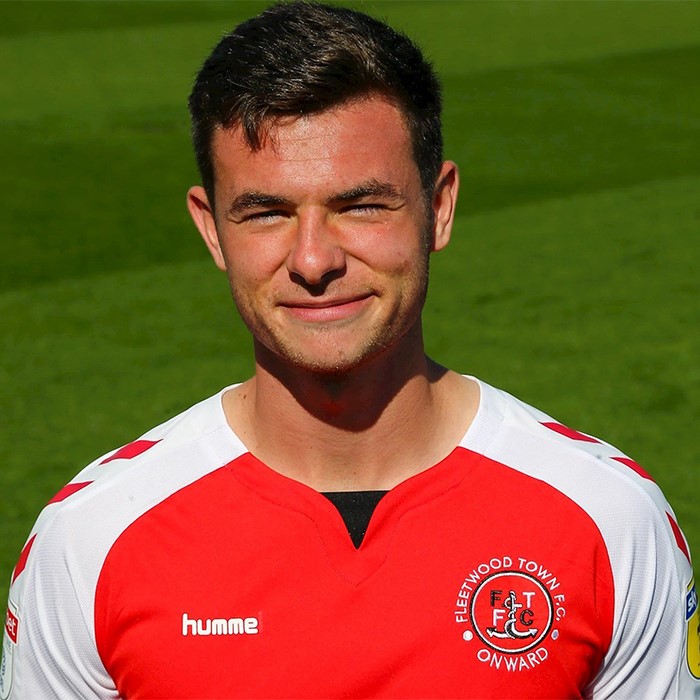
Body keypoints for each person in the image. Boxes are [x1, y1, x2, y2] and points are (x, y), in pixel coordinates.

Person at [2, 2, 698, 698]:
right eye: (267, 213)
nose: (313, 260)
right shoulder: (91, 540)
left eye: (361, 206)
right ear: (212, 229)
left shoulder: (609, 519)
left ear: (439, 207)